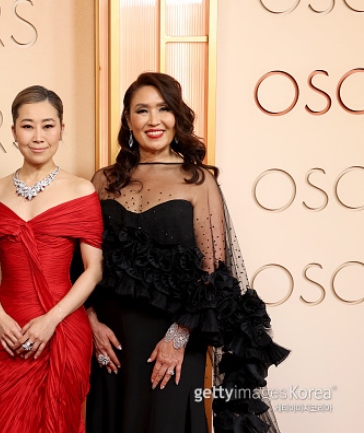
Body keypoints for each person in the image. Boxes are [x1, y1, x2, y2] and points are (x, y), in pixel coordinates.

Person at [84, 72, 289, 433]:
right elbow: (84, 261)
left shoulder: (198, 181)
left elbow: (213, 272)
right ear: (128, 119)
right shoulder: (103, 181)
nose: (153, 120)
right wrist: (92, 325)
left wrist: (177, 339)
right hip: (111, 343)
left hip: (176, 338)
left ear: (176, 116)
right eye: (142, 110)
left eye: (163, 109)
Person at [0, 85, 104, 433]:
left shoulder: (81, 190)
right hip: (7, 329)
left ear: (62, 129)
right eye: (27, 126)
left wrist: (51, 320)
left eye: (48, 125)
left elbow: (93, 271)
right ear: (13, 130)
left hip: (62, 327)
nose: (38, 136)